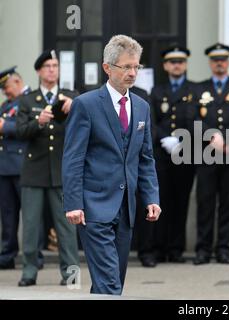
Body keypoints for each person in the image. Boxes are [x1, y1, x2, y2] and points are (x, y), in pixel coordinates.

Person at [63, 35, 161, 295]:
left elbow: (145, 157)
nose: (132, 73)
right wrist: (73, 203)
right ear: (107, 68)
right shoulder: (86, 105)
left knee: (110, 282)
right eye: (126, 67)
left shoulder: (141, 107)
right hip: (94, 208)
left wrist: (151, 196)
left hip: (126, 209)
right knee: (110, 284)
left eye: (136, 67)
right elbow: (73, 158)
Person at [16, 50, 80, 287]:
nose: (52, 69)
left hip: (62, 171)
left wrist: (77, 107)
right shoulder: (28, 100)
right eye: (47, 66)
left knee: (66, 229)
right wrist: (38, 122)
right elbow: (20, 132)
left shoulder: (72, 97)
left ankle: (71, 274)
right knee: (31, 227)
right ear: (39, 71)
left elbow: (87, 124)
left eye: (55, 65)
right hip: (34, 171)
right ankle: (29, 272)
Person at [136, 45, 197, 267]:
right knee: (158, 201)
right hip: (162, 153)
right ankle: (156, 248)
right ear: (165, 66)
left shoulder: (194, 90)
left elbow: (198, 120)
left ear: (186, 65)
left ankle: (176, 248)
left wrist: (182, 140)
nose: (177, 65)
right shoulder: (157, 91)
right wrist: (164, 139)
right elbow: (152, 120)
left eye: (180, 61)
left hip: (186, 153)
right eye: (172, 62)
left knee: (181, 203)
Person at [193, 43, 229, 265]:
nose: (220, 63)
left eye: (223, 59)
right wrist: (211, 137)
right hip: (205, 152)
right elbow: (193, 117)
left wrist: (225, 137)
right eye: (216, 59)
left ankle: (224, 248)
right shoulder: (198, 89)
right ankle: (202, 249)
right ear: (210, 62)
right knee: (205, 201)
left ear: (228, 62)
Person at [0, 67, 33, 269]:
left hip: (23, 166)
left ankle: (33, 256)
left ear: (18, 82)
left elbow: (28, 127)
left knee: (30, 215)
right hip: (4, 167)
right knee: (7, 215)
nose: (5, 92)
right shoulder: (7, 104)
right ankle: (7, 254)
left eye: (7, 87)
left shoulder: (30, 101)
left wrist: (5, 127)